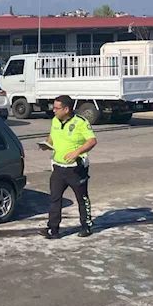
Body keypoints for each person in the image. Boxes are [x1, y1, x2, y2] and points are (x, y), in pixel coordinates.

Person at [38, 95, 98, 239]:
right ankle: (53, 229)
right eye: (54, 107)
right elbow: (52, 136)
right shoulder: (55, 121)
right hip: (58, 167)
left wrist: (77, 152)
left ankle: (86, 226)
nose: (54, 110)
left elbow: (92, 141)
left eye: (57, 108)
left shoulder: (80, 122)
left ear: (66, 109)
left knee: (82, 198)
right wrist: (46, 144)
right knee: (55, 198)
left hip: (75, 168)